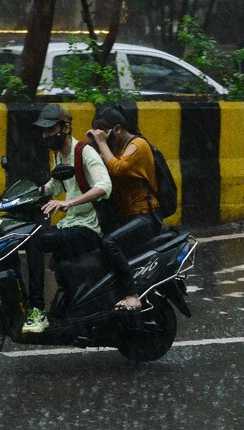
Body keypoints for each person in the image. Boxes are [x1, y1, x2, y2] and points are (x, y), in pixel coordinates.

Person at [22, 104, 112, 333]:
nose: (46, 135)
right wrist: (27, 195)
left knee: (35, 240)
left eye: (50, 130)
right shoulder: (59, 155)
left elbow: (104, 186)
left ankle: (37, 309)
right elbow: (54, 185)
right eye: (43, 131)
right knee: (26, 235)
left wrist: (68, 203)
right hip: (70, 224)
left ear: (66, 128)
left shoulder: (85, 152)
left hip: (88, 228)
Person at [87, 106, 162, 312]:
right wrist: (91, 144)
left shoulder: (137, 145)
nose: (102, 136)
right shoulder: (115, 148)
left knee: (110, 242)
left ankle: (132, 294)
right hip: (125, 217)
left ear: (117, 129)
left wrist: (101, 143)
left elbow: (118, 168)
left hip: (145, 217)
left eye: (104, 132)